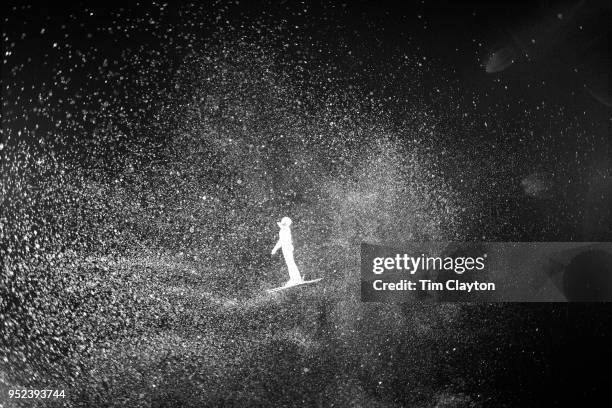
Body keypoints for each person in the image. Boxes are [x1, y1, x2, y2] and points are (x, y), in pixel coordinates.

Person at [271, 216, 304, 286]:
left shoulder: (285, 230)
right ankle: (295, 278)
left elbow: (281, 241)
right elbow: (281, 241)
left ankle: (295, 279)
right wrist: (275, 249)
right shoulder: (283, 230)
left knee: (290, 263)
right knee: (290, 263)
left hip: (287, 248)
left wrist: (274, 249)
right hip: (286, 248)